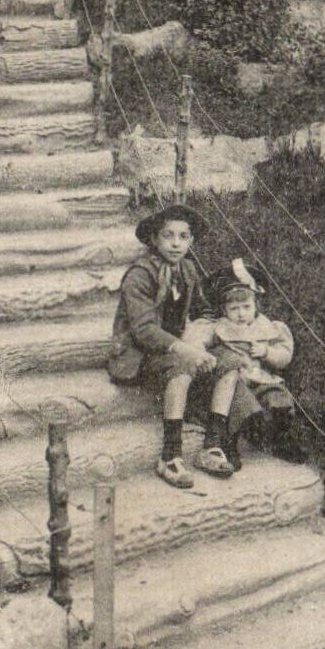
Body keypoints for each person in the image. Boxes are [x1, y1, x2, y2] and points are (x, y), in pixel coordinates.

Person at [106, 204, 240, 488]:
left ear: (191, 241)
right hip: (139, 353)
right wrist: (185, 349)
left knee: (229, 362)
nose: (176, 243)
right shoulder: (140, 275)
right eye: (168, 236)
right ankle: (170, 455)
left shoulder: (187, 270)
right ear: (154, 239)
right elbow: (144, 330)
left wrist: (199, 337)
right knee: (182, 367)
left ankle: (211, 446)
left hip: (176, 347)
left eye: (183, 236)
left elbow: (203, 311)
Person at [184, 259, 305, 471]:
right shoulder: (219, 327)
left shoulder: (266, 326)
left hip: (260, 376)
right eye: (234, 308)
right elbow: (196, 339)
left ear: (256, 304)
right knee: (241, 405)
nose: (241, 314)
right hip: (236, 381)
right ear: (224, 309)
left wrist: (267, 352)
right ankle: (229, 445)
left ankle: (280, 439)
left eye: (246, 307)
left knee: (279, 397)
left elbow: (285, 355)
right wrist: (201, 352)